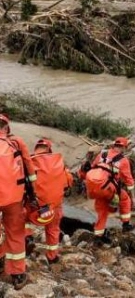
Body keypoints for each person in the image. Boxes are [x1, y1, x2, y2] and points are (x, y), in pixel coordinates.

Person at [0, 113, 36, 290]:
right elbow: (30, 171)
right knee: (15, 234)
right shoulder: (16, 142)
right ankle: (17, 274)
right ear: (6, 128)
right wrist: (33, 195)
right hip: (14, 198)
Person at [25, 138, 73, 264]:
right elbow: (68, 182)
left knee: (19, 222)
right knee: (53, 229)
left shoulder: (28, 161)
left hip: (33, 206)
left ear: (36, 148)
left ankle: (25, 238)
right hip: (53, 206)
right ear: (50, 150)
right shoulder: (58, 163)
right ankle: (52, 256)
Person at [80, 136, 135, 242]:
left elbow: (93, 168)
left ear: (114, 145)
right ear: (124, 147)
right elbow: (129, 180)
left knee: (102, 211)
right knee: (125, 199)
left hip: (95, 187)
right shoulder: (123, 160)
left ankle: (98, 235)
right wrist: (133, 197)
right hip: (109, 188)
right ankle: (126, 224)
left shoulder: (102, 154)